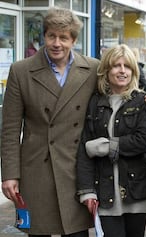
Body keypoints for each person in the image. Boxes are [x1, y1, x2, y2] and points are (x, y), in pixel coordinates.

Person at [1, 7, 99, 237]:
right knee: (37, 230)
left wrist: (145, 98)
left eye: (63, 37)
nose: (57, 43)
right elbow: (10, 129)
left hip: (76, 168)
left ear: (73, 40)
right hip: (36, 169)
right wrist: (9, 174)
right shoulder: (21, 71)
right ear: (43, 36)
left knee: (76, 232)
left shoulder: (92, 69)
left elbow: (116, 93)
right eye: (51, 36)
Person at [76, 44, 146, 237]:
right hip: (104, 192)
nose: (122, 71)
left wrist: (105, 147)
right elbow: (84, 149)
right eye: (116, 66)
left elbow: (142, 141)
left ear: (134, 71)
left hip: (135, 192)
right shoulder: (95, 102)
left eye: (127, 66)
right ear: (106, 70)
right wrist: (87, 191)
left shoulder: (141, 101)